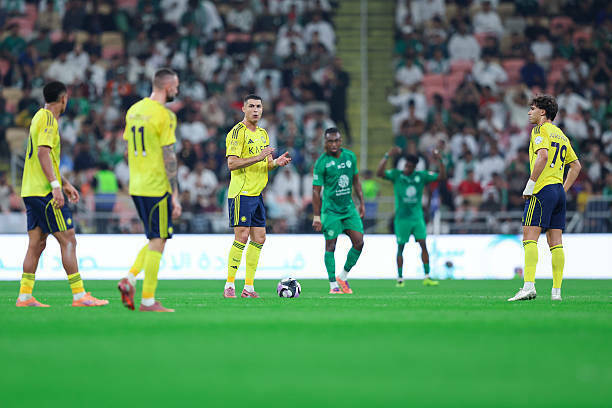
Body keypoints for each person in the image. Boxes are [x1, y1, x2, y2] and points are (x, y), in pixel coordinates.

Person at [17, 81, 108, 307]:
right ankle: (79, 295)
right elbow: (43, 154)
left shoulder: (38, 117)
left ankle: (25, 296)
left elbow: (46, 158)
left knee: (37, 243)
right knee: (68, 238)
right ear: (63, 99)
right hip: (44, 192)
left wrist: (65, 183)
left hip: (30, 190)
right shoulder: (49, 119)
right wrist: (56, 186)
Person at [117, 68, 182, 312]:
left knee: (155, 237)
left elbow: (127, 151)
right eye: (176, 86)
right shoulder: (165, 115)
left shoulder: (134, 110)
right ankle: (147, 300)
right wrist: (175, 195)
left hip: (136, 185)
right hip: (156, 186)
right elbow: (169, 156)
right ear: (168, 87)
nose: (177, 90)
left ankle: (130, 278)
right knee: (158, 239)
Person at [508, 95, 581, 302]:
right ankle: (556, 292)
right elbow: (576, 166)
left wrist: (530, 184)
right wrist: (562, 189)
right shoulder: (561, 135)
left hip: (542, 190)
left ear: (542, 112)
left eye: (532, 108)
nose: (529, 112)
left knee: (529, 237)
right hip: (558, 192)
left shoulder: (539, 130)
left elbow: (543, 156)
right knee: (556, 242)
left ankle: (528, 286)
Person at [223, 94, 292, 299]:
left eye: (259, 106)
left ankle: (249, 288)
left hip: (257, 194)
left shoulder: (263, 134)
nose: (255, 110)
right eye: (251, 106)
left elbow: (266, 164)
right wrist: (259, 157)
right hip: (241, 193)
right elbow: (232, 164)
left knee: (259, 238)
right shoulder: (237, 133)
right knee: (242, 237)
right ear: (243, 109)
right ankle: (229, 285)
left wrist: (276, 162)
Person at [376, 146, 446, 287]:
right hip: (402, 218)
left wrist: (440, 160)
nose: (407, 168)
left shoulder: (421, 176)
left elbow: (441, 177)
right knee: (401, 247)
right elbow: (379, 173)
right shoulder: (397, 175)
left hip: (417, 217)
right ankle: (400, 278)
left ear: (414, 167)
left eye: (409, 166)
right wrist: (387, 155)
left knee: (423, 245)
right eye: (406, 165)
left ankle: (427, 276)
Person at [312, 128, 365, 294]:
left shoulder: (350, 157)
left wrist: (362, 202)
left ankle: (343, 276)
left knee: (359, 242)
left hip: (349, 208)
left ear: (341, 141)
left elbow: (356, 181)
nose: (333, 144)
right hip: (331, 211)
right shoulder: (321, 162)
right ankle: (333, 285)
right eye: (330, 141)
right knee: (331, 246)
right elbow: (316, 191)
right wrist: (316, 216)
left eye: (336, 141)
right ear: (325, 143)